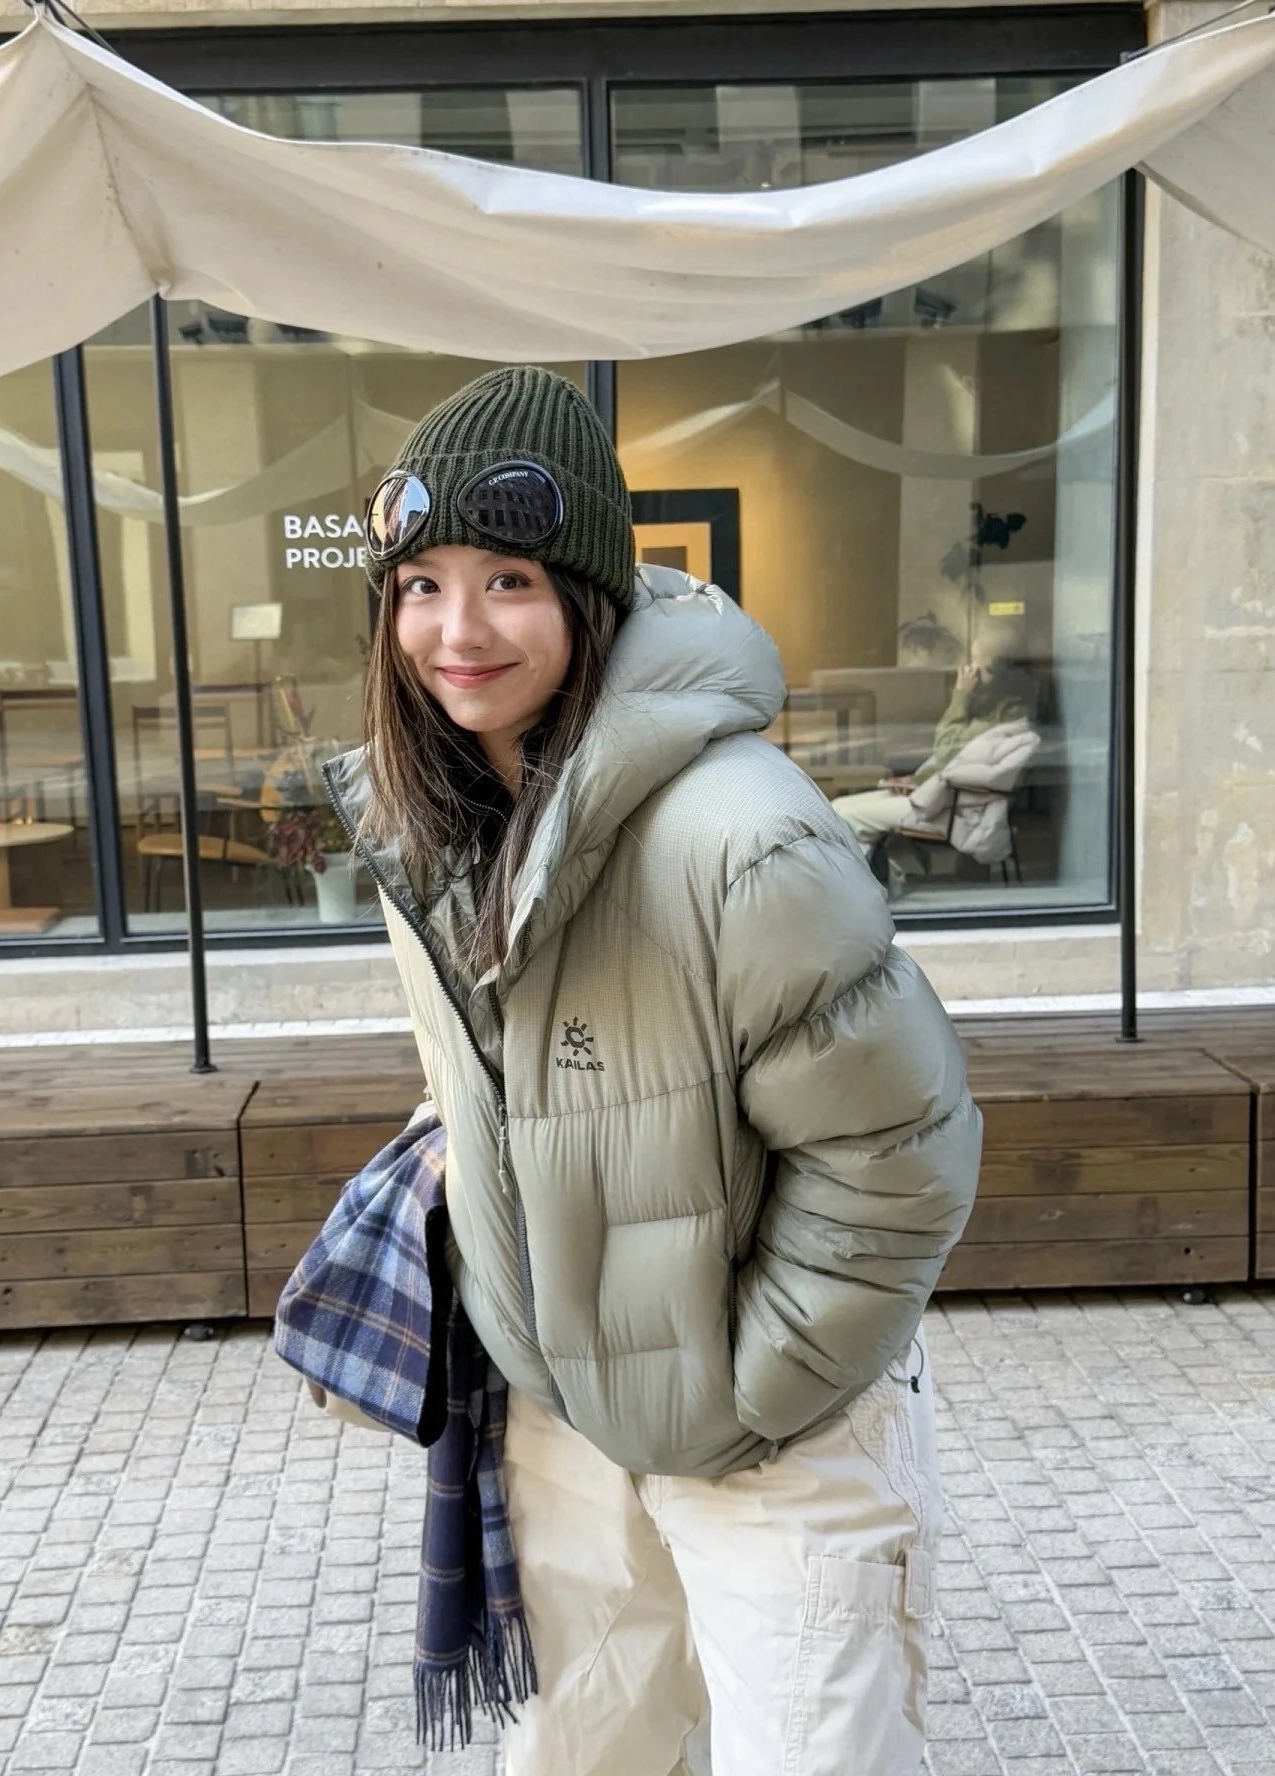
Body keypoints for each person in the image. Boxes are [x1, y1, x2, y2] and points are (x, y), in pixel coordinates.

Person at [325, 366, 982, 1776]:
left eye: (508, 581)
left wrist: (753, 1387)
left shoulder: (740, 835)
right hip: (557, 1411)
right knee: (581, 1757)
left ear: (589, 596)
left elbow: (899, 1153)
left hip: (774, 1433)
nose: (457, 630)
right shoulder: (435, 826)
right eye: (422, 585)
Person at [831, 615, 1038, 848]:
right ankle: (867, 867)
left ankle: (858, 870)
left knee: (842, 818)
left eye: (977, 661)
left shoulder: (1006, 717)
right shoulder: (999, 707)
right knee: (837, 809)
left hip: (946, 811)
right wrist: (918, 779)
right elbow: (958, 761)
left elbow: (947, 747)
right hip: (940, 799)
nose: (970, 669)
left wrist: (961, 696)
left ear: (995, 669)